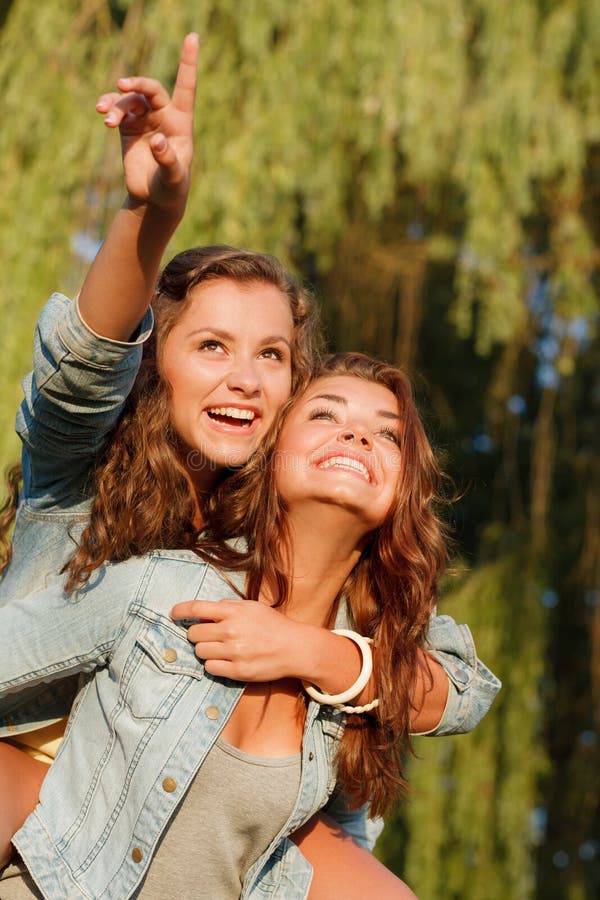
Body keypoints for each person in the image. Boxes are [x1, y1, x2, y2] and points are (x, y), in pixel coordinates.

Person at [0, 33, 500, 891]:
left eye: (272, 355)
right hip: (50, 809)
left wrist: (312, 651)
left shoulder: (292, 547)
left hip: (214, 810)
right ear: (157, 365)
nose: (244, 376)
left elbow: (457, 682)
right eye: (211, 345)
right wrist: (151, 215)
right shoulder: (81, 486)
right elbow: (81, 371)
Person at [1, 352, 473, 899]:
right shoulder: (163, 589)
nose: (358, 437)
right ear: (271, 455)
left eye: (387, 435)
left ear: (405, 488)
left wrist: (308, 652)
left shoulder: (375, 630)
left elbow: (467, 692)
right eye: (325, 415)